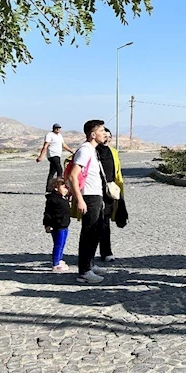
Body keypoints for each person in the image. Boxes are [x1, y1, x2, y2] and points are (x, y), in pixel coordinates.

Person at [67, 119, 110, 284]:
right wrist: (79, 199)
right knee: (88, 233)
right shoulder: (85, 150)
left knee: (97, 231)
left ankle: (89, 264)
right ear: (93, 134)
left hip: (96, 195)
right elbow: (72, 175)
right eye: (102, 131)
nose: (104, 134)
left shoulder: (93, 150)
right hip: (88, 196)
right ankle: (84, 271)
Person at [96, 127, 125, 263]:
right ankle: (89, 253)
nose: (107, 138)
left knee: (105, 222)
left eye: (109, 136)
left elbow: (117, 173)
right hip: (94, 191)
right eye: (104, 135)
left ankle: (106, 251)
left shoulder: (113, 152)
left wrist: (120, 191)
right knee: (93, 223)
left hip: (109, 192)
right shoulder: (93, 151)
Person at [43, 177, 71, 272]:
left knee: (62, 244)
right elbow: (47, 213)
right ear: (56, 188)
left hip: (64, 225)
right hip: (58, 226)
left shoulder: (63, 198)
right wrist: (47, 224)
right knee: (58, 244)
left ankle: (59, 259)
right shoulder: (53, 200)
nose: (66, 190)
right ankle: (55, 263)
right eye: (64, 187)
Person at [36, 124, 73, 190]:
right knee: (59, 169)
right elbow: (45, 146)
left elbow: (63, 145)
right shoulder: (50, 135)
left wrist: (71, 151)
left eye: (59, 128)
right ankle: (59, 187)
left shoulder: (59, 136)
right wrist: (41, 156)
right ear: (53, 128)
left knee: (52, 171)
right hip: (52, 154)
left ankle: (48, 188)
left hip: (58, 155)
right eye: (56, 128)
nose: (58, 129)